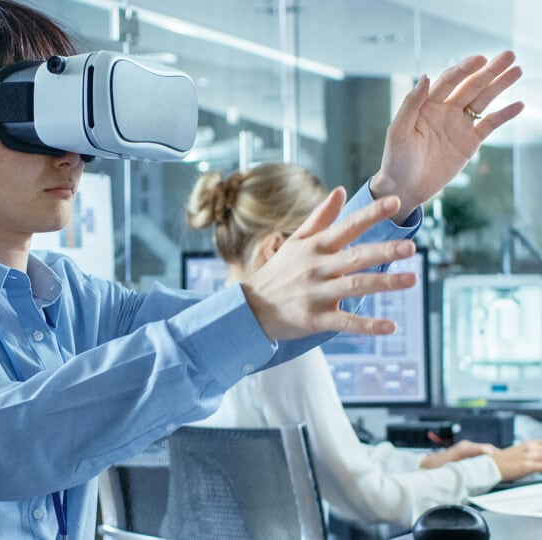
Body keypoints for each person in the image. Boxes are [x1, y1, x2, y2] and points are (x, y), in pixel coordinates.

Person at [0, 0, 524, 538]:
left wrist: (394, 194)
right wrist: (250, 310)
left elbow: (271, 329)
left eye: (76, 132)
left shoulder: (78, 306)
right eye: (34, 123)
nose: (70, 158)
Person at [187, 162, 542, 529]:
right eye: (327, 251)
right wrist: (491, 468)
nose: (339, 271)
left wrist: (425, 463)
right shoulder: (280, 350)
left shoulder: (197, 335)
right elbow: (374, 500)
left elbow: (328, 461)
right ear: (277, 249)